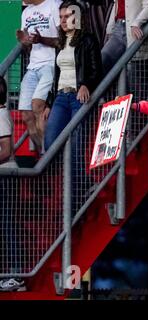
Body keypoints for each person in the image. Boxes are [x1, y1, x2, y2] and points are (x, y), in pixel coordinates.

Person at [44, 0, 102, 152]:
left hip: (79, 97)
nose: (63, 20)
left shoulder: (88, 40)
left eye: (67, 16)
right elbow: (56, 75)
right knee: (50, 141)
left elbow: (97, 70)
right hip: (60, 97)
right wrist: (49, 103)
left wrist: (86, 84)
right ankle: (60, 174)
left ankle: (75, 176)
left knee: (77, 145)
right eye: (61, 17)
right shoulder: (60, 43)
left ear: (77, 18)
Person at [17, 0, 62, 154]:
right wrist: (24, 43)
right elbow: (28, 47)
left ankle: (50, 154)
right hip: (32, 66)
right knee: (26, 115)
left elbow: (64, 41)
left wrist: (41, 39)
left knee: (38, 107)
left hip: (50, 64)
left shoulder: (54, 5)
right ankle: (43, 154)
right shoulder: (26, 12)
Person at [0, 76, 24, 292]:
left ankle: (16, 275)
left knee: (8, 226)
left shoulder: (1, 115)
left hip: (5, 177)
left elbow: (6, 150)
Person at [102, 0, 148, 75]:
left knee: (131, 72)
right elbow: (116, 5)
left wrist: (136, 23)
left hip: (135, 29)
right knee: (103, 59)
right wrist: (110, 27)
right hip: (118, 28)